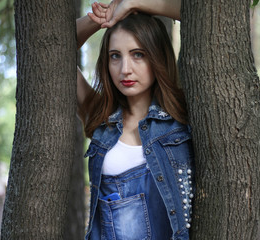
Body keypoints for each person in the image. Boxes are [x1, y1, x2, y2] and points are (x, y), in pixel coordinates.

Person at [76, 0, 194, 239]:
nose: (125, 69)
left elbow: (201, 13)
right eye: (115, 56)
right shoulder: (99, 116)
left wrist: (131, 3)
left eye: (138, 54)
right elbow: (50, 48)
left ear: (157, 56)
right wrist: (101, 18)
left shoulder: (184, 114)